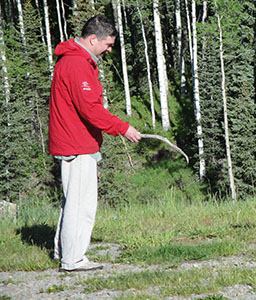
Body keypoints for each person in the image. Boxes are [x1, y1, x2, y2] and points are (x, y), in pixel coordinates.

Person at [49, 15, 141, 272]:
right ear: (92, 39)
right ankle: (73, 259)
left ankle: (63, 250)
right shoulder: (77, 65)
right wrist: (123, 128)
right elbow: (91, 109)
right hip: (76, 144)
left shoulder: (73, 61)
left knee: (73, 201)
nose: (109, 50)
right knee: (82, 204)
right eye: (107, 45)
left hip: (74, 140)